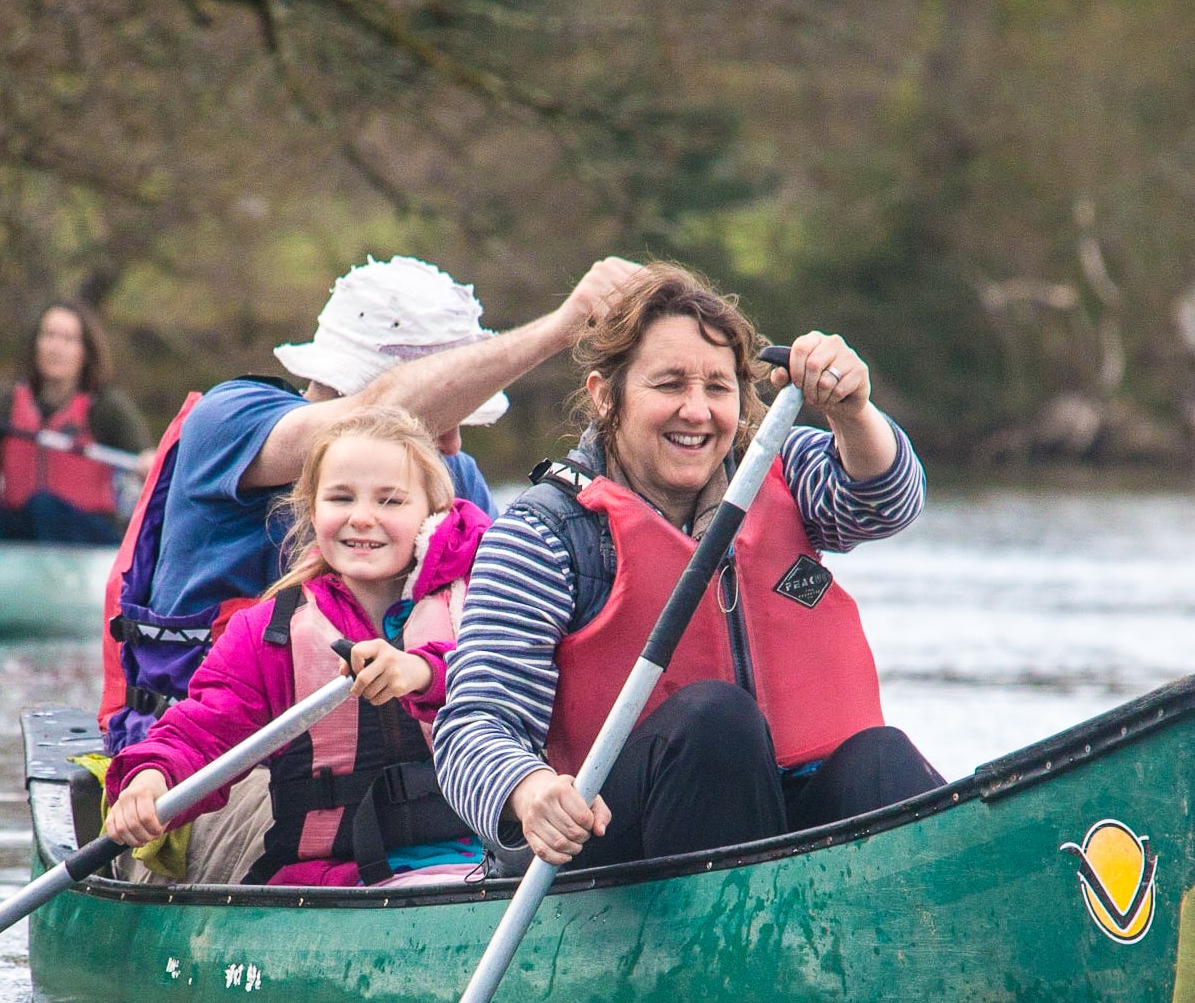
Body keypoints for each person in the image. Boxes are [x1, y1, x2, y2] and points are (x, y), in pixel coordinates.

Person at [433, 263, 942, 870]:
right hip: (618, 848)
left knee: (878, 758)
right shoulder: (544, 534)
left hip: (782, 813)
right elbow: (473, 727)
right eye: (669, 384)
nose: (697, 411)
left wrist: (853, 412)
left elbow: (887, 504)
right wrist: (532, 791)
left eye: (718, 388)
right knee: (715, 721)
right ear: (605, 395)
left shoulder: (786, 469)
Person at [103, 254, 639, 755]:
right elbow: (381, 410)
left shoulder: (454, 478)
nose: (452, 446)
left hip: (393, 769)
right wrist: (558, 329)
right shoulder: (229, 422)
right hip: (208, 757)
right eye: (442, 416)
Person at [102, 407, 489, 887]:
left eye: (390, 501)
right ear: (311, 511)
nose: (362, 517)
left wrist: (423, 672)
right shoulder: (267, 633)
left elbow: (518, 686)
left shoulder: (486, 599)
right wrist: (152, 777)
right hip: (330, 880)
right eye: (340, 498)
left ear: (432, 513)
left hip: (487, 864)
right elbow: (201, 732)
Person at [0, 302, 152, 545]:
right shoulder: (7, 403)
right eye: (48, 336)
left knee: (43, 505)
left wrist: (148, 465)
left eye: (68, 339)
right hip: (25, 527)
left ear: (85, 352)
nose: (56, 348)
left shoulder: (106, 405)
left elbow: (148, 460)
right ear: (36, 344)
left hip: (88, 533)